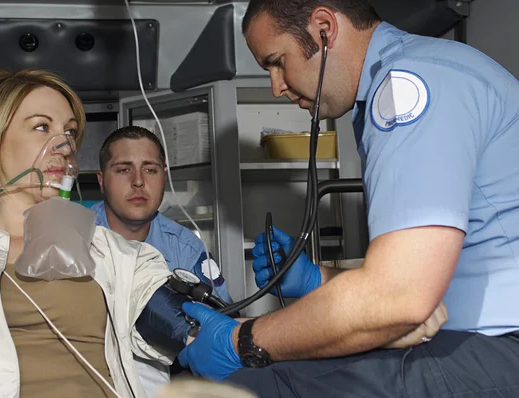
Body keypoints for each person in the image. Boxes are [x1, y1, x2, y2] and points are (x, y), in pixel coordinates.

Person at [176, 1, 519, 396]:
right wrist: (315, 280)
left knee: (257, 386)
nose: (276, 86)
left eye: (277, 62)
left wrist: (242, 341)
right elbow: (414, 280)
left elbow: (399, 297)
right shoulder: (409, 73)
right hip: (469, 339)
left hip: (500, 346)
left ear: (324, 27)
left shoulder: (409, 84)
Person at [0, 69, 181, 398]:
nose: (64, 145)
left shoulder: (110, 249)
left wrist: (238, 338)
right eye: (42, 127)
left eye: (70, 132)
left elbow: (171, 315)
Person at [92, 125, 233, 396]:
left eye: (150, 169)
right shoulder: (75, 238)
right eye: (123, 169)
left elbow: (221, 326)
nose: (138, 181)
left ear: (164, 176)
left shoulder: (185, 249)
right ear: (101, 180)